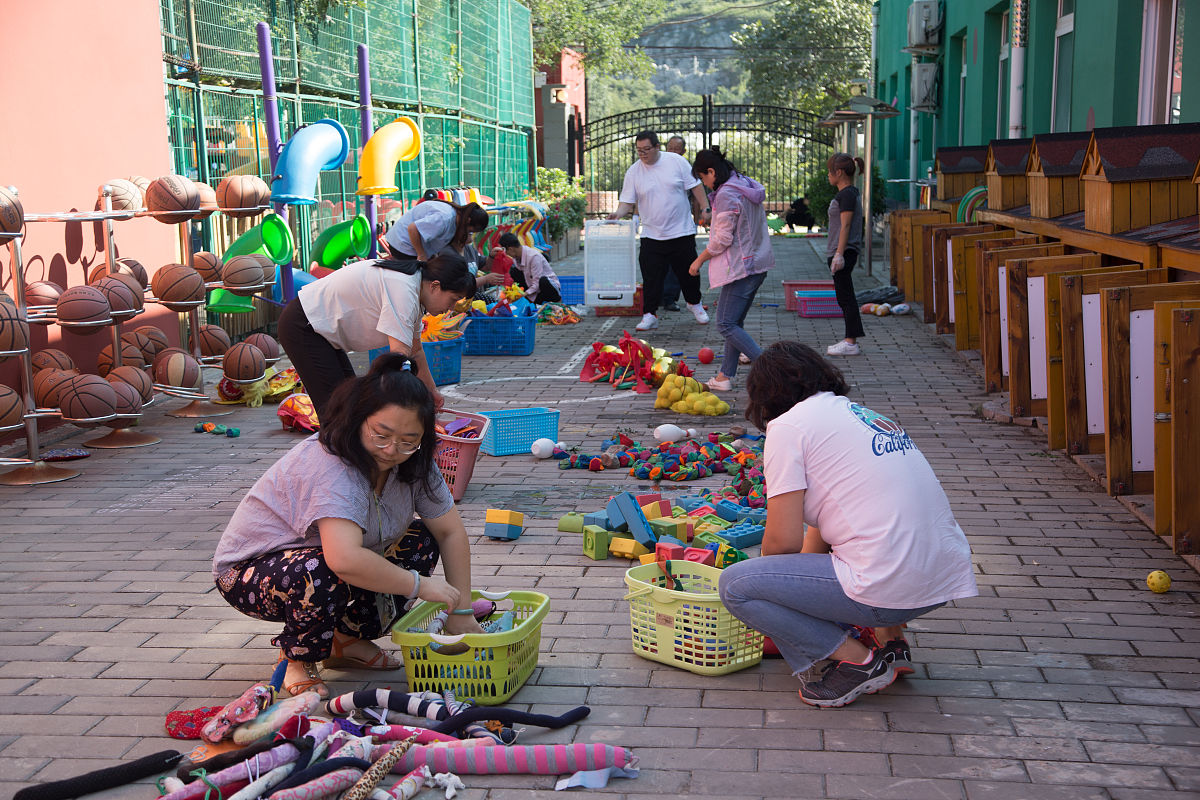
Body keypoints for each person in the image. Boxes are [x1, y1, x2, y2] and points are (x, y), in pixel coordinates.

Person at [718, 341, 977, 708]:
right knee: (861, 540)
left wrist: (778, 595)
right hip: (938, 578)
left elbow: (781, 542)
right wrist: (801, 594)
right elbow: (828, 523)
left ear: (764, 396)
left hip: (890, 587)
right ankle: (892, 644)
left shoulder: (788, 427)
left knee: (737, 585)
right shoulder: (858, 415)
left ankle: (859, 662)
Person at [212, 353, 482, 698]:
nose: (391, 450)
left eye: (408, 440)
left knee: (423, 537)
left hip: (335, 560)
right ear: (358, 418)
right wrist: (420, 586)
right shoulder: (333, 465)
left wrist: (461, 610)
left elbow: (450, 531)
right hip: (250, 572)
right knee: (321, 568)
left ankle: (344, 640)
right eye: (381, 434)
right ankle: (297, 657)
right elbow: (343, 560)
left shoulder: (414, 461)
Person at [278, 252, 477, 420]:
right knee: (337, 414)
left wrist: (431, 391)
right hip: (303, 326)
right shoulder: (404, 288)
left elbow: (415, 350)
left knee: (349, 406)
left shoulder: (415, 288)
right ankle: (334, 463)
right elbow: (399, 358)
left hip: (319, 331)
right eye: (453, 300)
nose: (450, 308)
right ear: (434, 286)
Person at [687, 147, 774, 392]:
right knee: (734, 323)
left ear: (712, 172)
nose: (704, 184)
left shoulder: (727, 194)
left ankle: (770, 369)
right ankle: (725, 377)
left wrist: (699, 260)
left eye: (703, 178)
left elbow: (722, 240)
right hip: (756, 263)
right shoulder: (744, 183)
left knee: (725, 324)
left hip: (741, 267)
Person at [608, 131, 710, 331]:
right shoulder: (634, 172)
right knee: (651, 276)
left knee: (689, 272)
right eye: (639, 151)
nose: (643, 154)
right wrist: (617, 214)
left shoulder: (677, 162)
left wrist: (706, 208)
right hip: (652, 234)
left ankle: (694, 304)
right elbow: (627, 202)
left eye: (647, 150)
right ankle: (650, 314)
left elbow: (696, 186)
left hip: (681, 231)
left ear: (657, 147)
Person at [825, 154, 867, 356]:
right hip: (839, 251)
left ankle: (851, 341)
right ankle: (850, 339)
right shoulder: (846, 194)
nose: (828, 175)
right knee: (844, 296)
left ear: (839, 172)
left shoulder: (847, 195)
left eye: (830, 171)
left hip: (844, 251)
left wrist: (839, 254)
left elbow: (846, 225)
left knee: (846, 297)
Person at [383, 199, 489, 262]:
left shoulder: (454, 219)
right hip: (402, 246)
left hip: (408, 246)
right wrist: (421, 254)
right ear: (468, 220)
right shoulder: (444, 218)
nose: (469, 234)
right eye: (470, 231)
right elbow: (413, 228)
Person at [660, 136, 690, 312]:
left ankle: (670, 298)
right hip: (657, 225)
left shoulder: (685, 167)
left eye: (676, 149)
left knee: (676, 265)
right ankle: (657, 297)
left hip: (679, 224)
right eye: (669, 148)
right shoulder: (656, 166)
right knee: (657, 264)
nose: (672, 152)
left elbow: (694, 192)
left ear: (683, 152)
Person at [489, 232, 562, 303]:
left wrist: (524, 294)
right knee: (514, 271)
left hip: (547, 288)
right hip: (533, 289)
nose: (508, 255)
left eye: (507, 252)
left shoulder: (534, 257)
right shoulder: (516, 257)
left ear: (511, 249)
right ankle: (529, 301)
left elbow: (537, 283)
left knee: (543, 281)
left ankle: (558, 302)